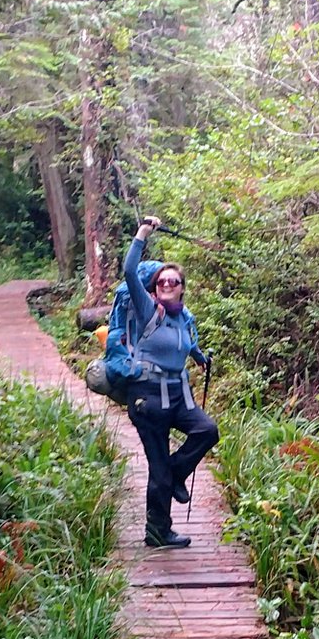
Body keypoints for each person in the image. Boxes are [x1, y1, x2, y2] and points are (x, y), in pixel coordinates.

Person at [120, 217, 217, 549]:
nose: (166, 284)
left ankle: (175, 475)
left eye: (172, 280)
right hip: (147, 397)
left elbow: (186, 346)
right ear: (155, 287)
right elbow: (130, 271)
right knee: (157, 467)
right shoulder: (149, 310)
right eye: (161, 281)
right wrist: (142, 235)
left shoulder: (183, 318)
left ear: (181, 286)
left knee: (207, 430)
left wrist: (200, 357)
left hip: (177, 394)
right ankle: (157, 530)